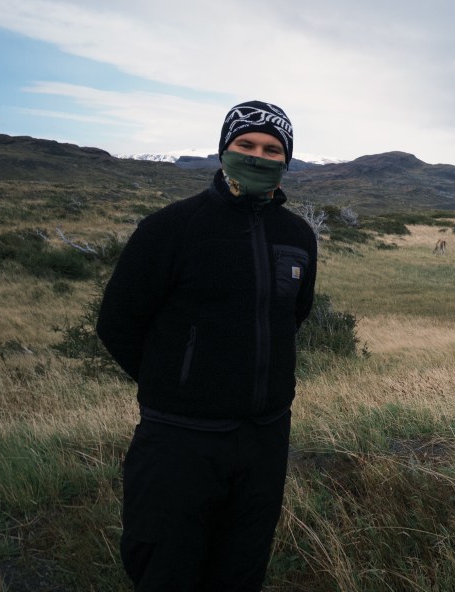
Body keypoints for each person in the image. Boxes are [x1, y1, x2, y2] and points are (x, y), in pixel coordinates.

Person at [97, 100, 318, 591]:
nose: (258, 156)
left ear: (286, 159)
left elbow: (292, 317)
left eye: (272, 149)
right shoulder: (171, 227)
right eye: (246, 144)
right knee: (165, 569)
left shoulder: (298, 234)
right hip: (179, 439)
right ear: (224, 149)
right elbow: (118, 323)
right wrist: (177, 383)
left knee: (242, 569)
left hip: (265, 437)